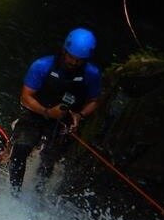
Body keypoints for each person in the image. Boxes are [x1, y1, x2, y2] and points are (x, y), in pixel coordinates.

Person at [8, 28, 102, 193]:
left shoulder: (91, 74)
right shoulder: (42, 66)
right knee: (21, 149)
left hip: (63, 119)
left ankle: (38, 191)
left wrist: (79, 115)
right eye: (71, 57)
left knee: (48, 160)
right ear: (64, 51)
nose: (73, 62)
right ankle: (14, 191)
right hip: (36, 112)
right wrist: (47, 112)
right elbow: (26, 97)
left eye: (79, 60)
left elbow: (94, 101)